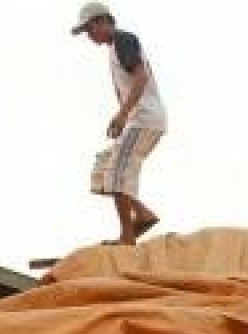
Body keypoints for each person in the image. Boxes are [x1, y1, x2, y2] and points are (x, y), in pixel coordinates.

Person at [72, 2, 166, 245]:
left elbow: (141, 75)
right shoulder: (114, 49)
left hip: (144, 119)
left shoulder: (123, 40)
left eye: (89, 29)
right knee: (103, 172)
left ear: (102, 21)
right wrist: (122, 117)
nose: (89, 36)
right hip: (136, 120)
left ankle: (127, 237)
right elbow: (125, 88)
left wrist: (124, 114)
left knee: (116, 174)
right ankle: (142, 214)